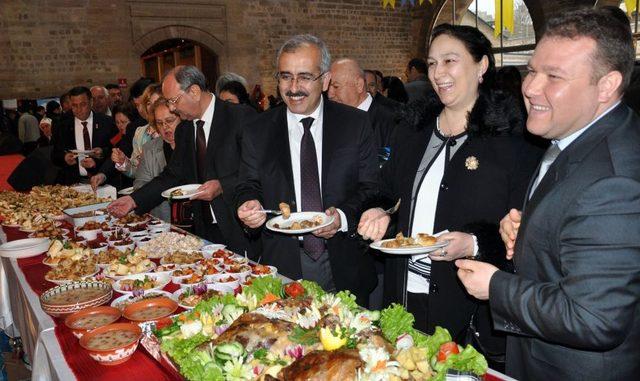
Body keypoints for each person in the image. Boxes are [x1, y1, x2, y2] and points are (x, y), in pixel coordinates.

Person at [457, 9, 640, 380]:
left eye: (553, 76)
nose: (530, 87)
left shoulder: (615, 180)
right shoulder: (578, 135)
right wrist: (530, 231)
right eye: (532, 71)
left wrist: (495, 287)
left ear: (606, 86)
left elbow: (594, 318)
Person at [357, 24, 540, 365]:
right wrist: (377, 211)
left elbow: (524, 232)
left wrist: (473, 244)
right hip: (404, 292)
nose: (438, 73)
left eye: (450, 61)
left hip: (466, 303)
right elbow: (387, 191)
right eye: (432, 63)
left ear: (482, 65)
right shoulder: (411, 130)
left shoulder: (512, 142)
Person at [235, 34, 378, 305]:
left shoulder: (355, 124)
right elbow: (247, 184)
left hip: (344, 261)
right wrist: (247, 204)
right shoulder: (257, 130)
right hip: (285, 262)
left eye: (304, 77)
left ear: (324, 80)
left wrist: (343, 218)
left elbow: (371, 186)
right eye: (286, 76)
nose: (293, 87)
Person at [107, 65, 252, 254]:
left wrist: (223, 185)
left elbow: (257, 171)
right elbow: (172, 175)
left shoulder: (240, 117)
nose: (172, 108)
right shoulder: (185, 129)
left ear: (194, 91)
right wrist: (134, 200)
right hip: (204, 228)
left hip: (239, 225)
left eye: (173, 101)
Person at [51, 86, 117, 184]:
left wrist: (102, 152)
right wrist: (64, 157)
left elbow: (117, 150)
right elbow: (54, 155)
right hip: (73, 183)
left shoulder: (107, 123)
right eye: (74, 105)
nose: (78, 109)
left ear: (91, 102)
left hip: (103, 181)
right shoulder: (62, 126)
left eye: (83, 104)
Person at [328, 58, 396, 152]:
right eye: (328, 87)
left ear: (359, 85)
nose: (330, 94)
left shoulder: (389, 122)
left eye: (336, 86)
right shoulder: (328, 118)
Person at [133, 97, 180, 222]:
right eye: (159, 123)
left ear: (181, 119)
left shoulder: (194, 143)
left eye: (169, 121)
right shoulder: (149, 148)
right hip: (162, 219)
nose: (165, 127)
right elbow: (140, 186)